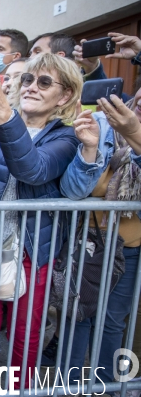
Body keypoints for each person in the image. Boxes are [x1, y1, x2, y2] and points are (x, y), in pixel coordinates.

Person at [0, 52, 82, 389]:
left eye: (44, 82)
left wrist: (4, 113)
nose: (31, 86)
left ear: (63, 96)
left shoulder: (66, 137)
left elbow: (33, 170)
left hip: (32, 254)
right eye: (28, 79)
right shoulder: (2, 125)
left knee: (24, 336)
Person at [57, 86, 141, 385]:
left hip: (128, 249)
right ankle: (70, 385)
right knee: (76, 316)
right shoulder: (104, 125)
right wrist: (90, 148)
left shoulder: (129, 129)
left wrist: (136, 135)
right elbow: (77, 189)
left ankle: (107, 386)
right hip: (88, 243)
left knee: (113, 321)